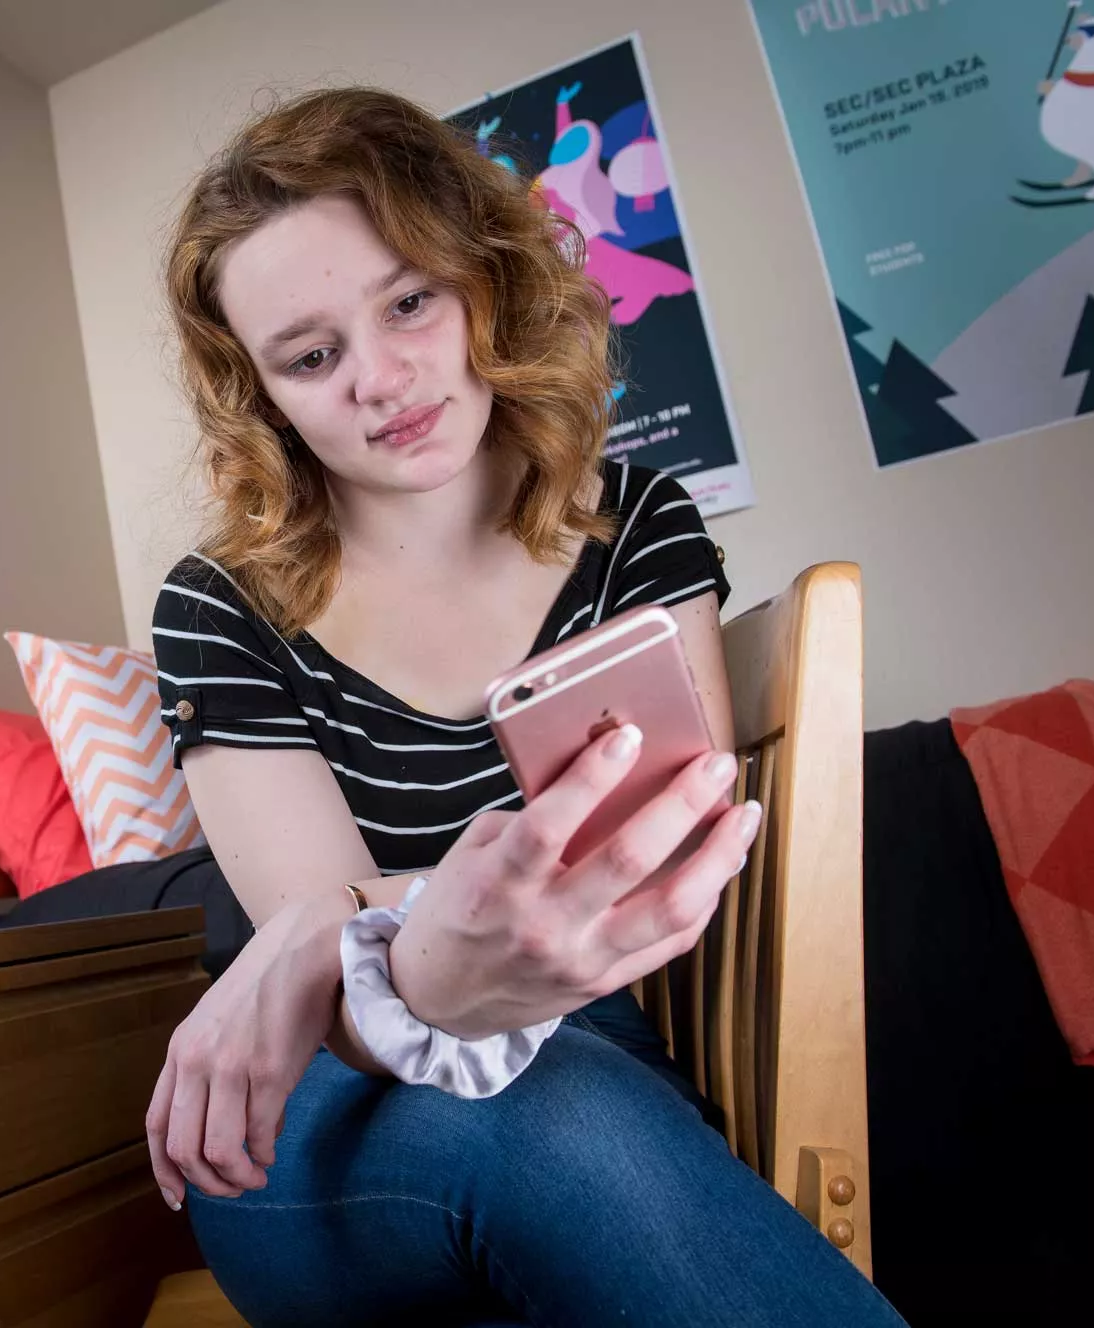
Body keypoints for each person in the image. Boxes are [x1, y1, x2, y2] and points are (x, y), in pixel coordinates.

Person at [145, 88, 904, 1327]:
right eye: (311, 353)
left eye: (408, 301)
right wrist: (316, 934)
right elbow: (335, 990)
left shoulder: (639, 527)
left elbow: (668, 865)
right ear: (260, 391)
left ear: (481, 277)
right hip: (317, 1110)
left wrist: (332, 919)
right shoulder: (219, 605)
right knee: (559, 1122)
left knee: (569, 1149)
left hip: (592, 1055)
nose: (382, 379)